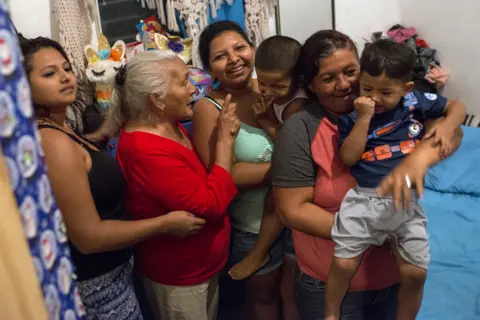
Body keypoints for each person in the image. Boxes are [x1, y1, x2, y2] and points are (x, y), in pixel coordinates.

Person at [271, 30, 463, 320]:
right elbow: (291, 211)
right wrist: (376, 230)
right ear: (310, 84)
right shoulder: (302, 128)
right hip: (330, 279)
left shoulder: (403, 107)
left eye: (351, 72)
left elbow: (453, 130)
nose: (345, 85)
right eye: (328, 78)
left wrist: (420, 159)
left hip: (392, 278)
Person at [21, 36, 205, 320]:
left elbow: (87, 155)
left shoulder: (62, 127)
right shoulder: (51, 141)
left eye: (67, 68)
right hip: (98, 285)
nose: (65, 78)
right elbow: (89, 238)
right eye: (49, 74)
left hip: (115, 272)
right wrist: (165, 223)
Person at [325, 39, 466, 320]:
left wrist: (449, 124)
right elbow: (349, 157)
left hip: (406, 201)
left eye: (385, 92)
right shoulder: (352, 116)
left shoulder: (415, 103)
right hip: (364, 200)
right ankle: (331, 314)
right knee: (342, 265)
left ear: (406, 88)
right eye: (367, 89)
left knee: (416, 273)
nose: (374, 98)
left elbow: (457, 106)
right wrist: (363, 119)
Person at [107, 50, 239, 320]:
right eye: (183, 82)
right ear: (157, 100)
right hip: (180, 275)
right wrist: (225, 141)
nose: (193, 88)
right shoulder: (147, 150)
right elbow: (210, 205)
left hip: (200, 264)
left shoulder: (169, 123)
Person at [192, 21, 291, 320]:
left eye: (239, 48)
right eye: (220, 56)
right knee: (266, 298)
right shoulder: (208, 108)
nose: (234, 59)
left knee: (297, 291)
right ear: (209, 68)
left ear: (253, 49)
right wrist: (287, 169)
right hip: (254, 224)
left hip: (299, 212)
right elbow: (223, 176)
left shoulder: (273, 87)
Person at [227, 33, 305, 319]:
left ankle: (259, 251)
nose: (269, 91)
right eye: (264, 82)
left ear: (298, 79)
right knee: (287, 288)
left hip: (300, 169)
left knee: (276, 197)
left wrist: (267, 123)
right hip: (292, 169)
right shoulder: (279, 95)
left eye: (278, 85)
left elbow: (291, 143)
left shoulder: (297, 104)